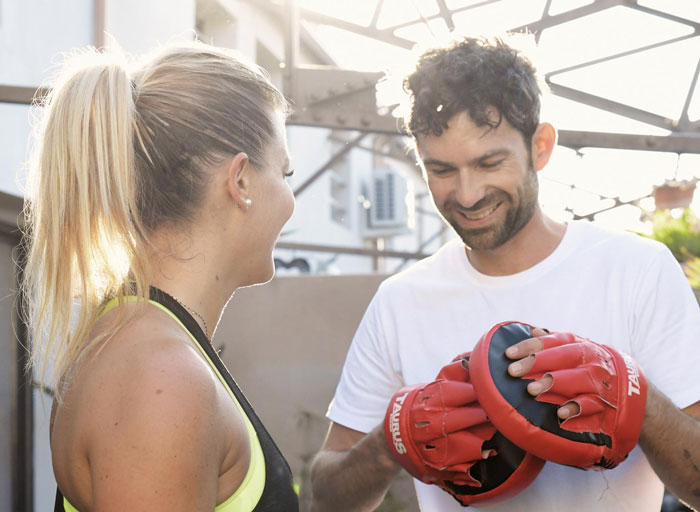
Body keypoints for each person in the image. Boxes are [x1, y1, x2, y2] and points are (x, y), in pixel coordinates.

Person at [309, 36, 700, 512]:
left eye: (489, 163)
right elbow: (326, 500)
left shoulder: (638, 270)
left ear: (541, 146)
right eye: (441, 169)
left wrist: (639, 400)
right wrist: (391, 441)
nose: (468, 194)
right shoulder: (400, 301)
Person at [23, 41, 299, 511]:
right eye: (286, 173)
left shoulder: (150, 349)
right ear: (241, 182)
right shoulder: (161, 379)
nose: (291, 200)